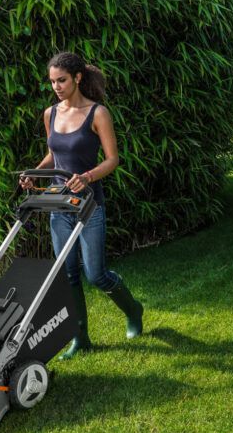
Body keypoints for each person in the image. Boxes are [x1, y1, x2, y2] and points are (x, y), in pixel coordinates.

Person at [20, 51, 144, 360]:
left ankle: (133, 310)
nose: (56, 87)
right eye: (51, 82)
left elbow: (113, 160)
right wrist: (35, 174)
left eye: (61, 80)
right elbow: (54, 155)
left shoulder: (97, 113)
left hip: (89, 205)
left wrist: (87, 177)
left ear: (77, 78)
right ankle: (81, 338)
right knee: (69, 274)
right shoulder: (50, 114)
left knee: (96, 274)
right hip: (59, 205)